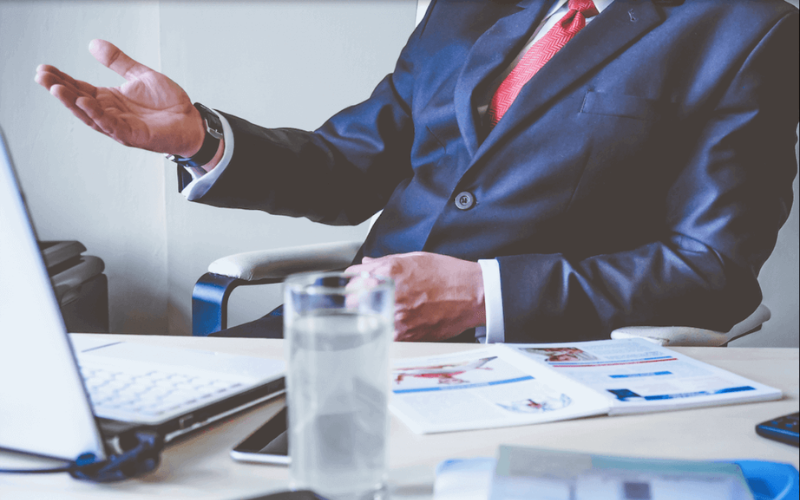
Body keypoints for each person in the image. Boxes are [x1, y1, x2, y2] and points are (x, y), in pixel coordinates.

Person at [35, 0, 799, 344]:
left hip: (536, 359)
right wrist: (202, 136)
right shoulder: (465, 9)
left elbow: (714, 267)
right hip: (341, 331)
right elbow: (348, 168)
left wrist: (482, 295)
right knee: (145, 437)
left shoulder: (748, 30)